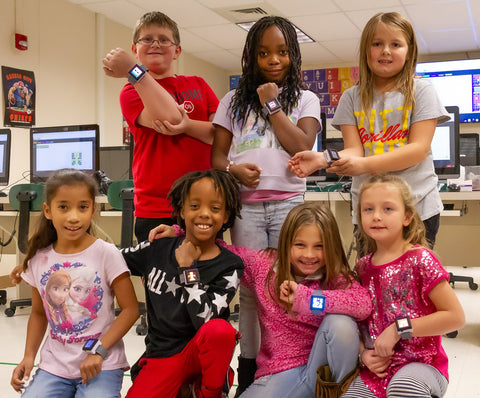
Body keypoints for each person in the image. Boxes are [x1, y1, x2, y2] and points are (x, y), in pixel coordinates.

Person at [150, 202, 372, 398]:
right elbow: (221, 252)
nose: (309, 255)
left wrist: (307, 299)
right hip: (280, 371)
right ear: (286, 243)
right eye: (300, 245)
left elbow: (362, 304)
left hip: (324, 370)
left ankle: (342, 393)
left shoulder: (334, 275)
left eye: (319, 246)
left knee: (341, 323)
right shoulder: (264, 265)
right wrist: (180, 234)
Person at [210, 16, 321, 393]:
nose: (273, 59)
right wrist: (234, 170)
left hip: (291, 203)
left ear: (294, 54)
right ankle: (250, 370)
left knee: (294, 284)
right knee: (252, 293)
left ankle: (294, 361)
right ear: (250, 57)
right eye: (263, 53)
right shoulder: (231, 101)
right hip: (249, 208)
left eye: (282, 51)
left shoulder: (306, 99)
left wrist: (271, 103)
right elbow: (217, 158)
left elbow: (301, 147)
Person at [289, 12, 449, 250]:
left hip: (416, 208)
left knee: (412, 282)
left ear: (409, 51)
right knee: (371, 277)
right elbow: (355, 150)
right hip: (370, 211)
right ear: (366, 50)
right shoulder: (351, 97)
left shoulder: (422, 91)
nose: (385, 50)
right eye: (377, 44)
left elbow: (417, 149)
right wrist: (322, 158)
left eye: (395, 44)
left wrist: (364, 165)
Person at [10, 169, 139, 397]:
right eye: (63, 207)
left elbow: (130, 310)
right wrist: (28, 357)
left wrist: (99, 351)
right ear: (48, 211)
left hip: (103, 363)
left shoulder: (107, 253)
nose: (73, 217)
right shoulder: (39, 258)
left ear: (93, 210)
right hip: (55, 367)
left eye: (82, 207)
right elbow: (39, 314)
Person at [121, 169, 244, 398]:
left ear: (226, 215)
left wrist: (188, 270)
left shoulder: (230, 265)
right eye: (195, 206)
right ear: (181, 210)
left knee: (220, 331)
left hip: (200, 354)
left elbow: (206, 320)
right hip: (163, 356)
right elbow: (111, 259)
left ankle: (209, 392)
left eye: (215, 208)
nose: (204, 214)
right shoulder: (157, 247)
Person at [342, 174, 465, 398]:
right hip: (378, 369)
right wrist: (363, 354)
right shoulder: (361, 268)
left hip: (423, 364)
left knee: (403, 387)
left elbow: (455, 317)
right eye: (368, 209)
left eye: (388, 209)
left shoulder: (421, 260)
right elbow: (356, 322)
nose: (377, 216)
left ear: (407, 216)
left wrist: (399, 328)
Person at [103, 11, 220, 242]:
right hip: (157, 207)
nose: (155, 44)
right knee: (159, 278)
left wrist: (132, 70)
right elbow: (170, 118)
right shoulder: (131, 91)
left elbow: (219, 135)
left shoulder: (198, 84)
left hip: (204, 204)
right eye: (147, 39)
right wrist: (134, 73)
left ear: (177, 50)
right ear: (135, 49)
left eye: (164, 39)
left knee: (207, 275)